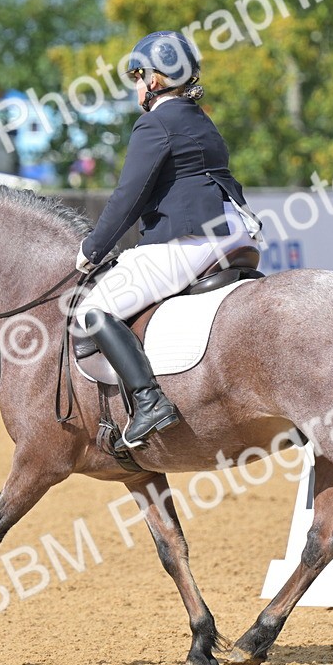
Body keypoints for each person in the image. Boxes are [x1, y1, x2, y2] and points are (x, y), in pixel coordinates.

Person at [75, 30, 262, 450]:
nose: (137, 87)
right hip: (234, 231)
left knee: (93, 309)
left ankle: (149, 401)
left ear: (155, 80)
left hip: (192, 240)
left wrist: (92, 250)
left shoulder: (154, 122)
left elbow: (128, 197)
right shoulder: (200, 119)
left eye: (138, 77)